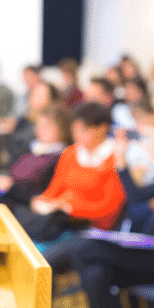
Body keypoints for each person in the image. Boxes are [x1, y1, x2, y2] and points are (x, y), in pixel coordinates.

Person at [71, 126, 154, 308]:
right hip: (149, 251)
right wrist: (121, 162)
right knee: (96, 274)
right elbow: (137, 202)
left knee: (85, 250)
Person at [28, 102, 127, 241]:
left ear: (102, 129)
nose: (77, 135)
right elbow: (54, 190)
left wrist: (71, 207)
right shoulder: (70, 153)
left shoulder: (116, 158)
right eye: (75, 130)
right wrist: (42, 201)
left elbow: (110, 208)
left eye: (83, 130)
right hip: (62, 222)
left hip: (94, 231)